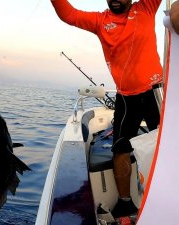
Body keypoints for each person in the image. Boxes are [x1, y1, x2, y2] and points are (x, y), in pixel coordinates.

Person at [50, 0, 163, 218]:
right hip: (126, 99)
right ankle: (125, 202)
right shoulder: (100, 21)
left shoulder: (146, 7)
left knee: (165, 146)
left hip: (155, 93)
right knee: (120, 149)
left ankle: (165, 195)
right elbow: (69, 14)